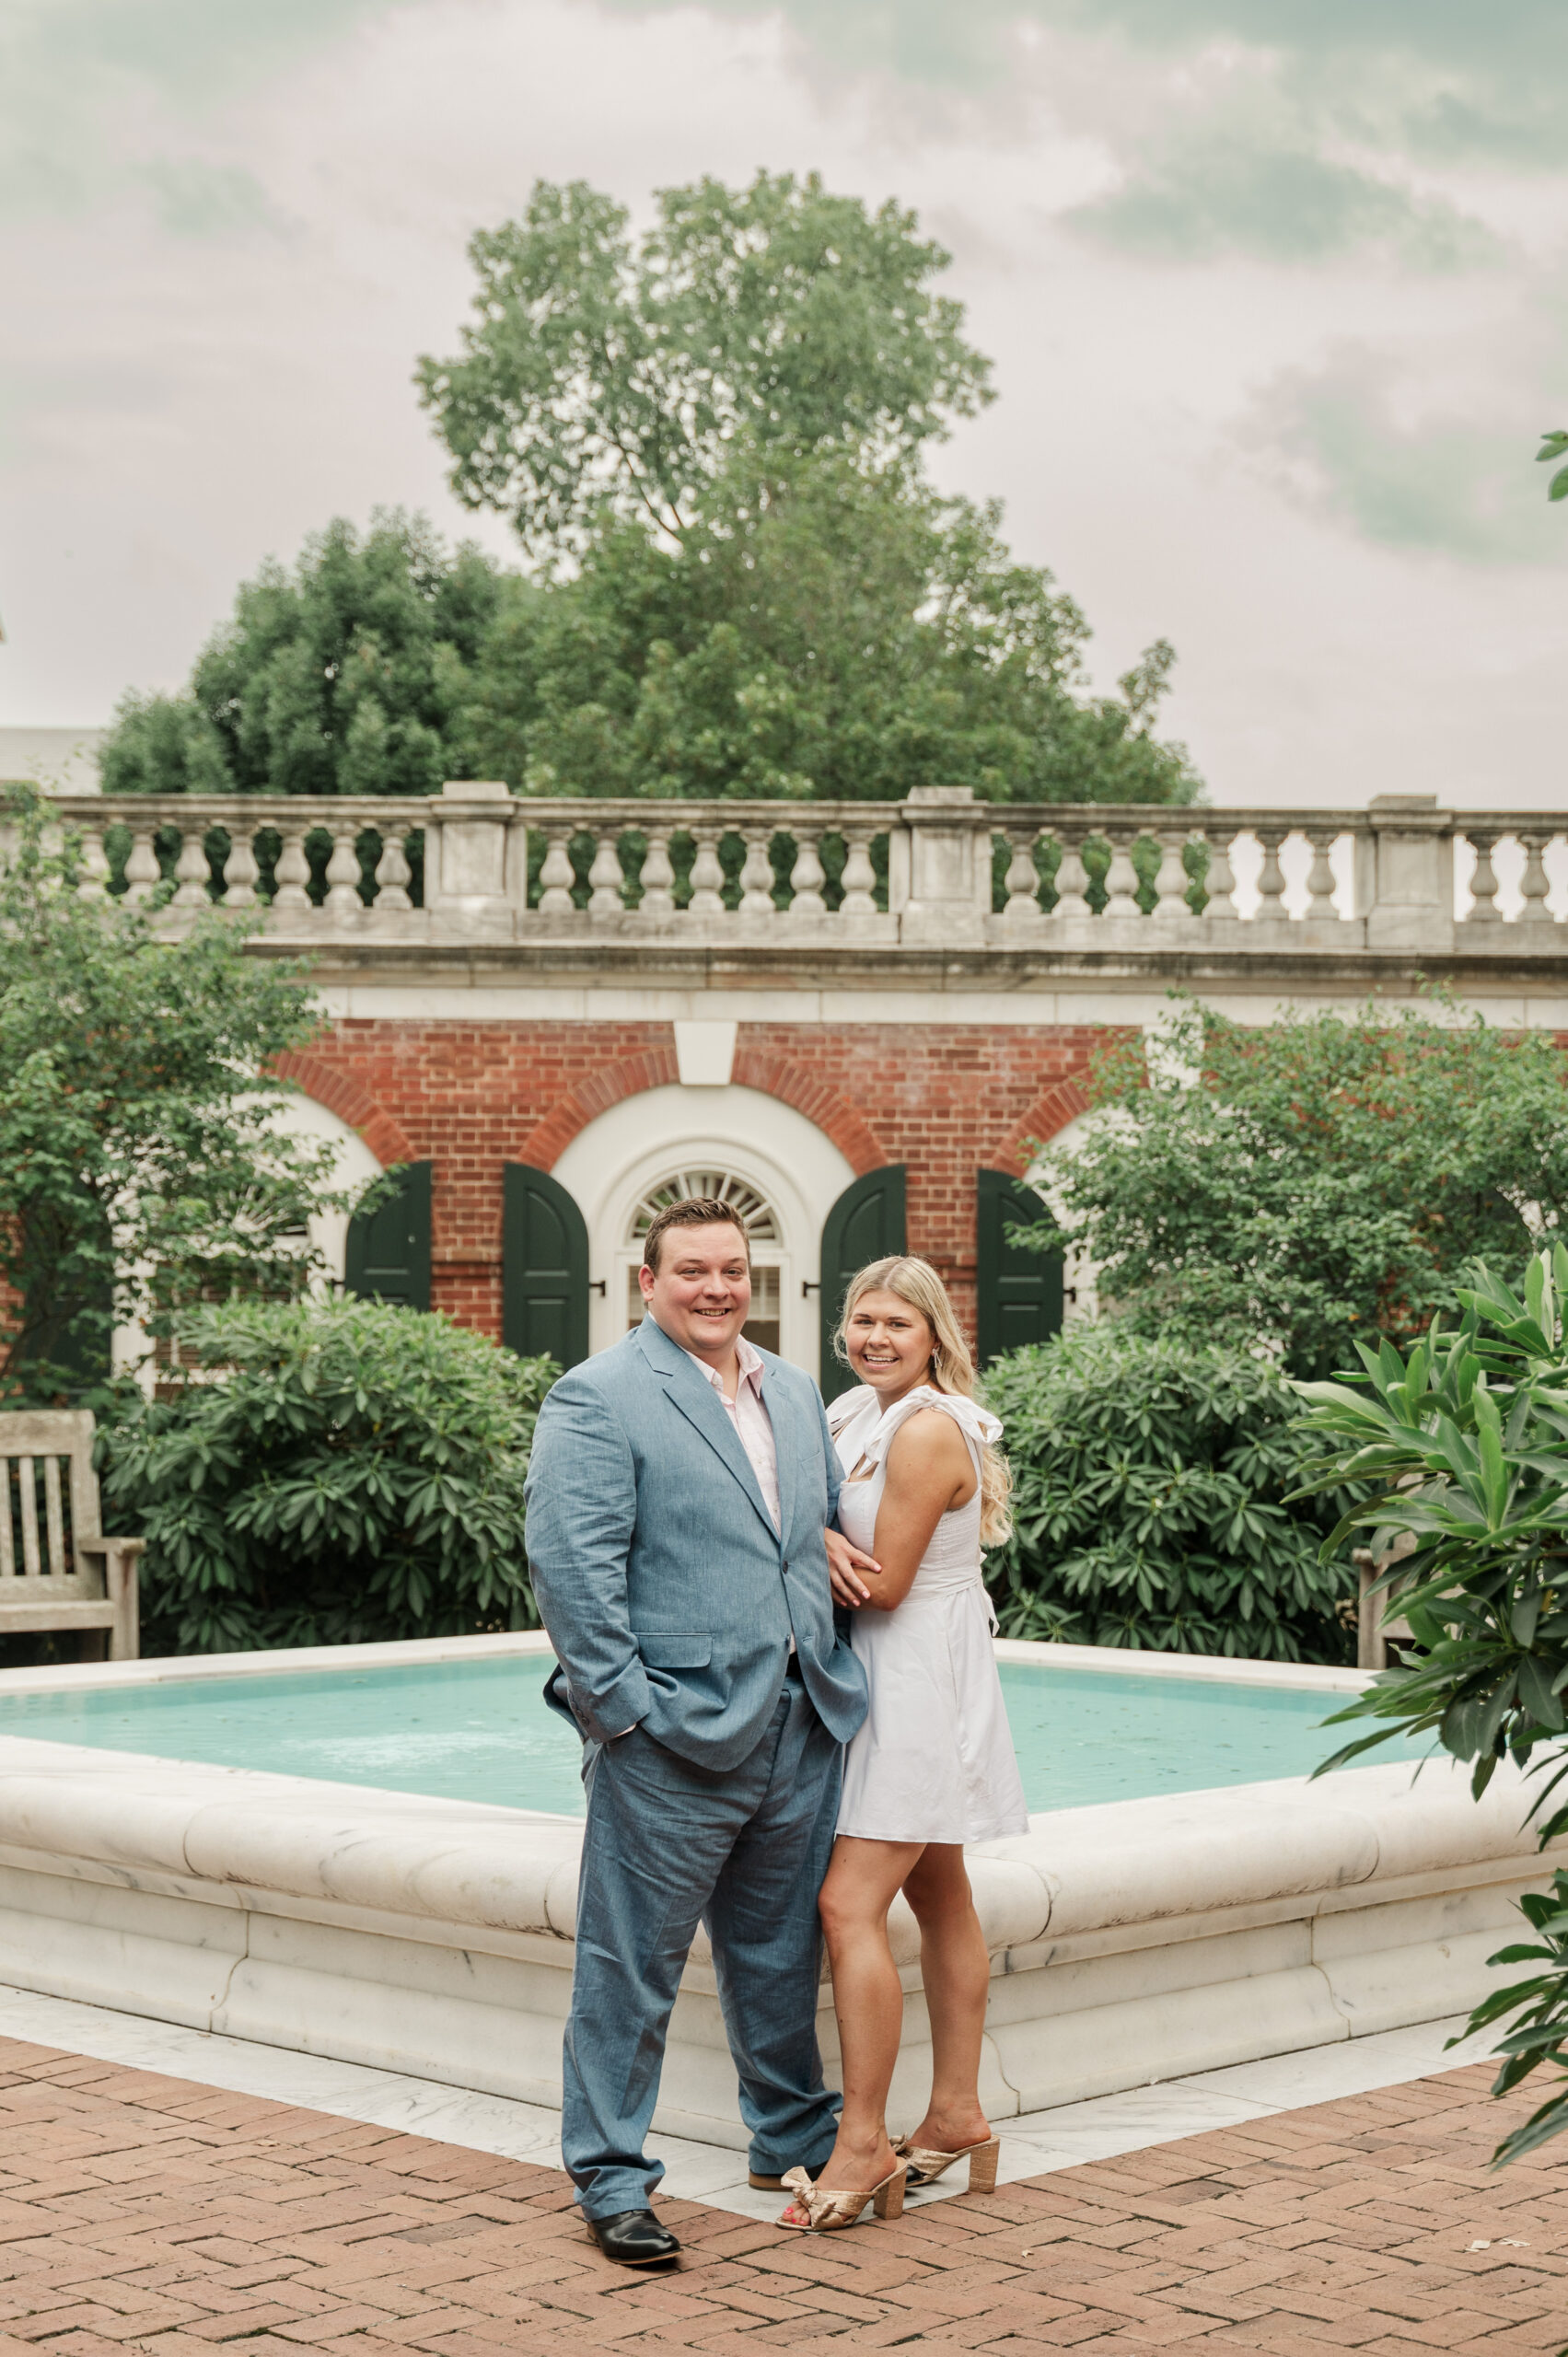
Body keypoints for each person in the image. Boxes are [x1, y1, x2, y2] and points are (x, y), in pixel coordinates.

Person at [523, 1196, 876, 2266]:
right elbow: (571, 1573)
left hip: (797, 1717)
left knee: (777, 1953)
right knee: (629, 1966)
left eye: (731, 1269)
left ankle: (788, 2133)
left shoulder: (796, 1389)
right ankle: (611, 2177)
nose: (716, 1288)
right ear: (648, 1281)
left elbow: (791, 1533)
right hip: (668, 1733)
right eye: (691, 1271)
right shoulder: (597, 1397)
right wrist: (626, 1714)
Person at [778, 1255, 1028, 2235]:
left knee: (847, 1904)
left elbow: (879, 1585)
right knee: (938, 1889)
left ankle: (862, 2142)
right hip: (885, 1674)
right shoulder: (851, 1412)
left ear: (934, 1336)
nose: (874, 1337)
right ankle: (958, 2113)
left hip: (913, 1680)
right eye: (861, 1320)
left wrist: (810, 1545)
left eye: (896, 1323)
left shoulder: (925, 1430)